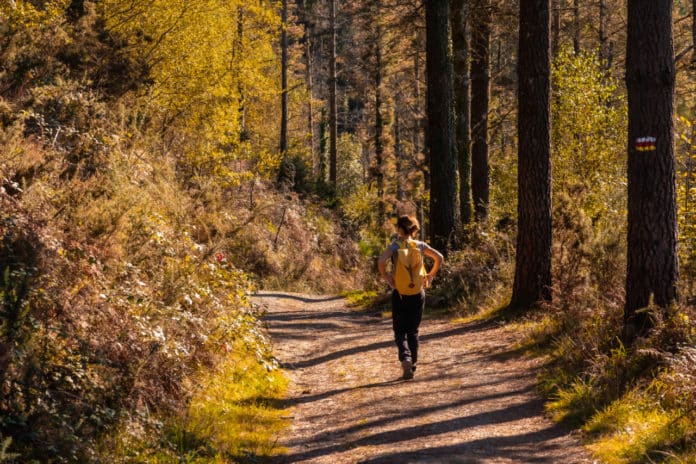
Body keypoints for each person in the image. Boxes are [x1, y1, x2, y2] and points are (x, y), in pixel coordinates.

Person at [377, 215, 443, 380]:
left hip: (399, 293)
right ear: (413, 229)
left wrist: (387, 277)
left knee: (399, 331)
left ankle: (405, 357)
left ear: (399, 229)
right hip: (417, 293)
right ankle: (412, 365)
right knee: (413, 331)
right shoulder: (420, 245)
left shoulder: (394, 246)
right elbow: (439, 257)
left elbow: (381, 261)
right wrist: (430, 275)